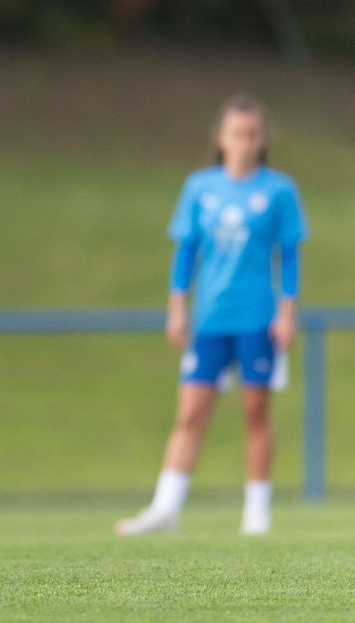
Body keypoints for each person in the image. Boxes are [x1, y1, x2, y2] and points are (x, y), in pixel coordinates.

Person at [115, 95, 307, 536]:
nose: (245, 142)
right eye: (237, 134)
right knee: (190, 415)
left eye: (253, 134)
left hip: (258, 319)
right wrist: (177, 308)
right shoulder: (200, 188)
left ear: (263, 140)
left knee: (256, 415)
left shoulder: (278, 191)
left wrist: (287, 313)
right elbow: (187, 252)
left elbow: (290, 256)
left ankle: (256, 512)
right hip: (210, 321)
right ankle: (166, 508)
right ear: (222, 138)